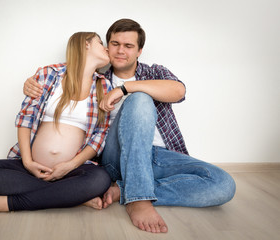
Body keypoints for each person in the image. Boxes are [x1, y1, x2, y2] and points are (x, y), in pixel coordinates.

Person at [23, 19, 236, 234]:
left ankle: (124, 191)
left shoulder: (154, 73)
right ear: (107, 46)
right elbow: (66, 73)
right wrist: (32, 82)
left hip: (157, 156)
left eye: (128, 46)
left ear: (139, 51)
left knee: (223, 185)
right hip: (115, 158)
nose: (120, 50)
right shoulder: (97, 78)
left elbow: (178, 91)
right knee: (141, 99)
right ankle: (139, 200)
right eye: (115, 44)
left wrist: (125, 89)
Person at [0, 32, 113, 217]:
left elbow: (100, 135)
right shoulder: (49, 74)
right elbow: (26, 118)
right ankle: (72, 196)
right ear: (85, 44)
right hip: (31, 168)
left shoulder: (105, 87)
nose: (106, 48)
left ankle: (6, 203)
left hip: (73, 170)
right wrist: (28, 162)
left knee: (100, 179)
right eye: (100, 42)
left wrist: (70, 165)